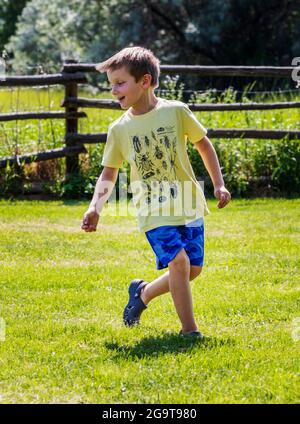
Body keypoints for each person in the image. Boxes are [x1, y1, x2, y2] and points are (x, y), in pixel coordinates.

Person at [81, 46, 231, 338]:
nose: (113, 90)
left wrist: (219, 183)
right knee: (179, 262)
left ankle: (143, 294)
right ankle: (190, 331)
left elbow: (203, 144)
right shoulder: (119, 129)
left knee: (192, 270)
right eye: (111, 84)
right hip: (153, 209)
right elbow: (109, 172)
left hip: (188, 204)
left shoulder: (176, 112)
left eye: (120, 83)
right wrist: (94, 208)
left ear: (145, 81)